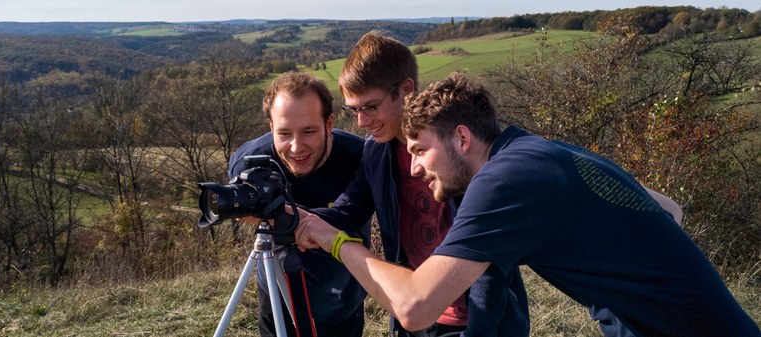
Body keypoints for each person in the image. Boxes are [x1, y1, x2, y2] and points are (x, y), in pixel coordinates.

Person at [295, 72, 761, 337]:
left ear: (462, 137)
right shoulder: (540, 152)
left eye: (420, 151)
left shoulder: (502, 181)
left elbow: (415, 307)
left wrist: (336, 240)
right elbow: (667, 209)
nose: (415, 168)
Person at [310, 31, 529, 337]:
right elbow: (349, 210)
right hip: (417, 317)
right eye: (353, 110)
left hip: (481, 320)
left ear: (406, 89)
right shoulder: (376, 152)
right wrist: (294, 218)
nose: (361, 122)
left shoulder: (460, 150)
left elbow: (489, 257)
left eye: (370, 107)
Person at [228, 72, 369, 337]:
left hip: (340, 295)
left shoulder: (359, 156)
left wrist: (288, 217)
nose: (296, 147)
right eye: (284, 133)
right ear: (271, 128)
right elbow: (239, 208)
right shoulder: (251, 161)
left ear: (329, 124)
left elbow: (357, 211)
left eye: (308, 131)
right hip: (277, 289)